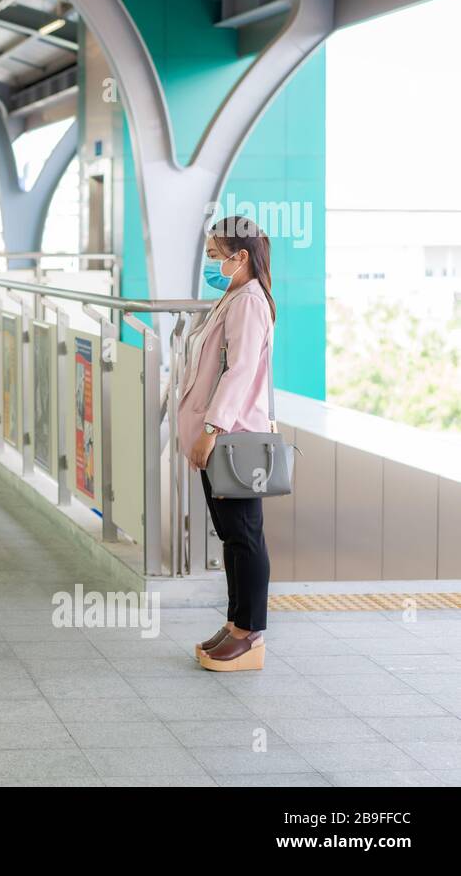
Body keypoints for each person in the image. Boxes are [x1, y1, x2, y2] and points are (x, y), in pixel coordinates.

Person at [179, 215, 278, 673]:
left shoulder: (249, 302)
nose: (211, 262)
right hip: (222, 436)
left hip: (232, 439)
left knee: (244, 536)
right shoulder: (234, 296)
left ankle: (249, 633)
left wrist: (211, 429)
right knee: (232, 536)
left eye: (217, 256)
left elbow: (238, 371)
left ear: (241, 257)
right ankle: (236, 623)